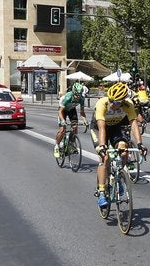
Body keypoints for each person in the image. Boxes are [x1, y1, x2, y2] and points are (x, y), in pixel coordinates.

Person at [92, 81, 144, 212]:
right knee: (104, 157)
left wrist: (140, 144)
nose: (111, 104)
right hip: (99, 128)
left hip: (115, 127)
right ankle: (102, 192)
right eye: (111, 100)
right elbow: (102, 128)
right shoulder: (102, 104)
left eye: (115, 102)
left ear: (122, 101)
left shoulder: (128, 105)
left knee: (124, 150)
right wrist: (103, 146)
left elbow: (133, 124)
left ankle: (118, 177)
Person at [55, 80, 90, 157]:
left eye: (79, 95)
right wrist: (63, 121)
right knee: (62, 129)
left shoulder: (81, 99)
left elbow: (82, 112)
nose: (78, 97)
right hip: (63, 111)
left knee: (75, 127)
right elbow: (60, 111)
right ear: (73, 92)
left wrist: (85, 121)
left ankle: (71, 144)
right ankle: (57, 146)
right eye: (76, 95)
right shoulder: (67, 97)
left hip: (72, 110)